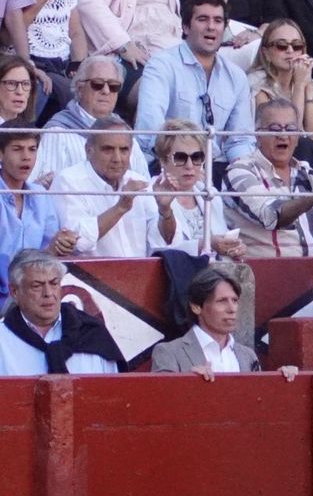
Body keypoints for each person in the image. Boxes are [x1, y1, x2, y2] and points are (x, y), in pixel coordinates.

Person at [135, 0, 254, 164]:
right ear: (185, 27)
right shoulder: (161, 65)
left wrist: (241, 171)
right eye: (202, 19)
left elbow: (240, 140)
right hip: (170, 162)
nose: (211, 27)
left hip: (216, 167)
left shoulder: (237, 76)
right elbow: (150, 130)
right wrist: (188, 162)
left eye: (218, 21)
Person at [227, 98, 313, 257]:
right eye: (274, 128)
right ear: (258, 135)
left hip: (308, 271)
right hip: (258, 273)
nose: (283, 135)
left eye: (290, 128)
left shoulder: (305, 172)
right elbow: (271, 217)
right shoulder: (240, 170)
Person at [47, 119, 161, 259]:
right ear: (89, 150)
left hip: (141, 275)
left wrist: (166, 211)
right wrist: (121, 207)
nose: (117, 158)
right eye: (108, 149)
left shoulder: (139, 182)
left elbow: (161, 242)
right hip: (89, 277)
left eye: (124, 150)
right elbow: (78, 242)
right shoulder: (68, 181)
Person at [0, 250, 125, 375]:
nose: (48, 293)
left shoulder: (92, 333)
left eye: (54, 283)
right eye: (37, 286)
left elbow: (117, 390)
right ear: (14, 291)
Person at [151, 265, 279, 378]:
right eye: (222, 301)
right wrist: (187, 384)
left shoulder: (248, 355)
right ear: (196, 307)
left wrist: (282, 382)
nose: (232, 309)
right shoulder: (168, 352)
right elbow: (160, 400)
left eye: (234, 300)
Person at [33, 56, 134, 183]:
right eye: (98, 84)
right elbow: (46, 188)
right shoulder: (57, 132)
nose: (106, 91)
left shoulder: (125, 132)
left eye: (114, 86)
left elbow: (143, 183)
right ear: (80, 89)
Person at [148, 119, 238, 257]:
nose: (189, 165)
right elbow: (158, 250)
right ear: (163, 161)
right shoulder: (148, 195)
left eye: (196, 157)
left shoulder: (209, 193)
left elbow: (222, 238)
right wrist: (206, 245)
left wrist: (233, 248)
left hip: (215, 272)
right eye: (180, 157)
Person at [0, 127, 58, 306]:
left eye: (32, 149)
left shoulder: (40, 195)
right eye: (17, 149)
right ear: (0, 154)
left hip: (30, 297)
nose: (26, 157)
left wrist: (60, 244)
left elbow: (47, 251)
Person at [247, 18, 313, 137]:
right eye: (281, 46)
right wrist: (299, 86)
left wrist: (307, 87)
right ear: (266, 53)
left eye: (297, 46)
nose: (290, 50)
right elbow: (289, 135)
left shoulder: (308, 82)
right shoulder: (255, 82)